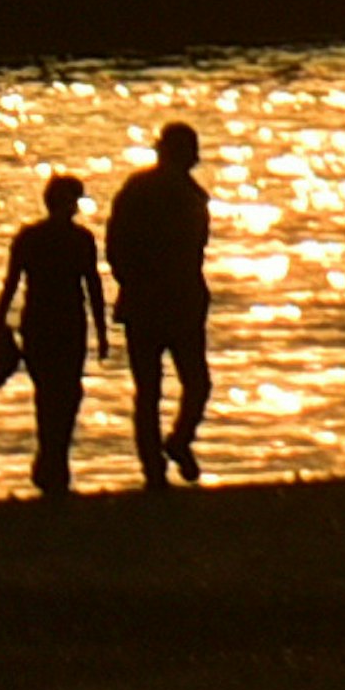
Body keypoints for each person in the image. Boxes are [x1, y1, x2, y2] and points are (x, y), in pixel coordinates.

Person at [104, 122, 215, 489]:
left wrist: (130, 282)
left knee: (162, 389)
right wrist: (135, 281)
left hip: (160, 300)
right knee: (178, 385)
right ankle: (161, 460)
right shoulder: (172, 194)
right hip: (168, 300)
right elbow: (117, 245)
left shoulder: (146, 191)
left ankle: (166, 454)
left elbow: (115, 244)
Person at [0, 172, 108, 497]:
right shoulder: (79, 239)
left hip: (41, 323)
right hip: (66, 323)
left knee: (49, 395)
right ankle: (55, 462)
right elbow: (92, 287)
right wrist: (101, 331)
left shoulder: (30, 237)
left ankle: (51, 462)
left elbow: (11, 284)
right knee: (66, 393)